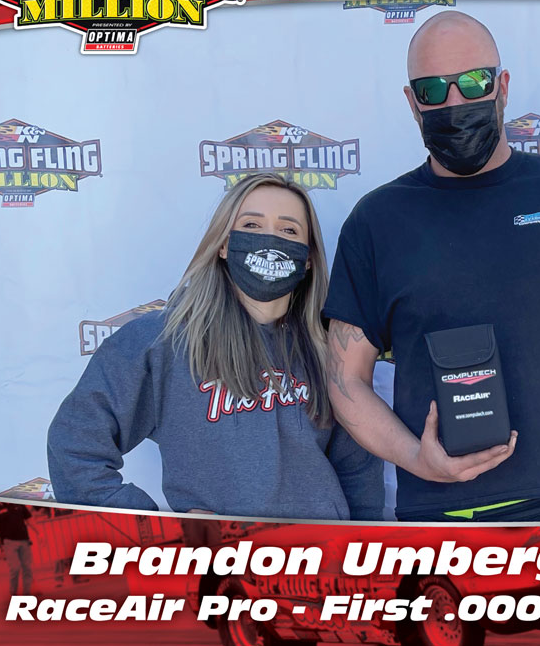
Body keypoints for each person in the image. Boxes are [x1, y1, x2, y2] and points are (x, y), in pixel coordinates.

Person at [324, 11, 540, 521]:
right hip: (442, 523)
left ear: (502, 87)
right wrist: (415, 458)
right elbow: (344, 379)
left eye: (474, 83)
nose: (455, 103)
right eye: (433, 90)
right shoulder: (376, 221)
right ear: (412, 102)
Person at [48, 174, 382, 520]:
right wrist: (156, 530)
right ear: (224, 245)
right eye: (251, 225)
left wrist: (363, 542)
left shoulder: (329, 349)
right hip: (220, 553)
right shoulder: (161, 341)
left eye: (288, 230)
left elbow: (359, 474)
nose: (270, 240)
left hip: (318, 550)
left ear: (308, 257)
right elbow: (75, 445)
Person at [0, 503, 32, 595]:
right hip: (8, 542)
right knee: (15, 568)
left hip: (24, 540)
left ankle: (27, 593)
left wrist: (39, 533)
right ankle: (13, 592)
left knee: (27, 568)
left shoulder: (19, 504)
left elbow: (29, 519)